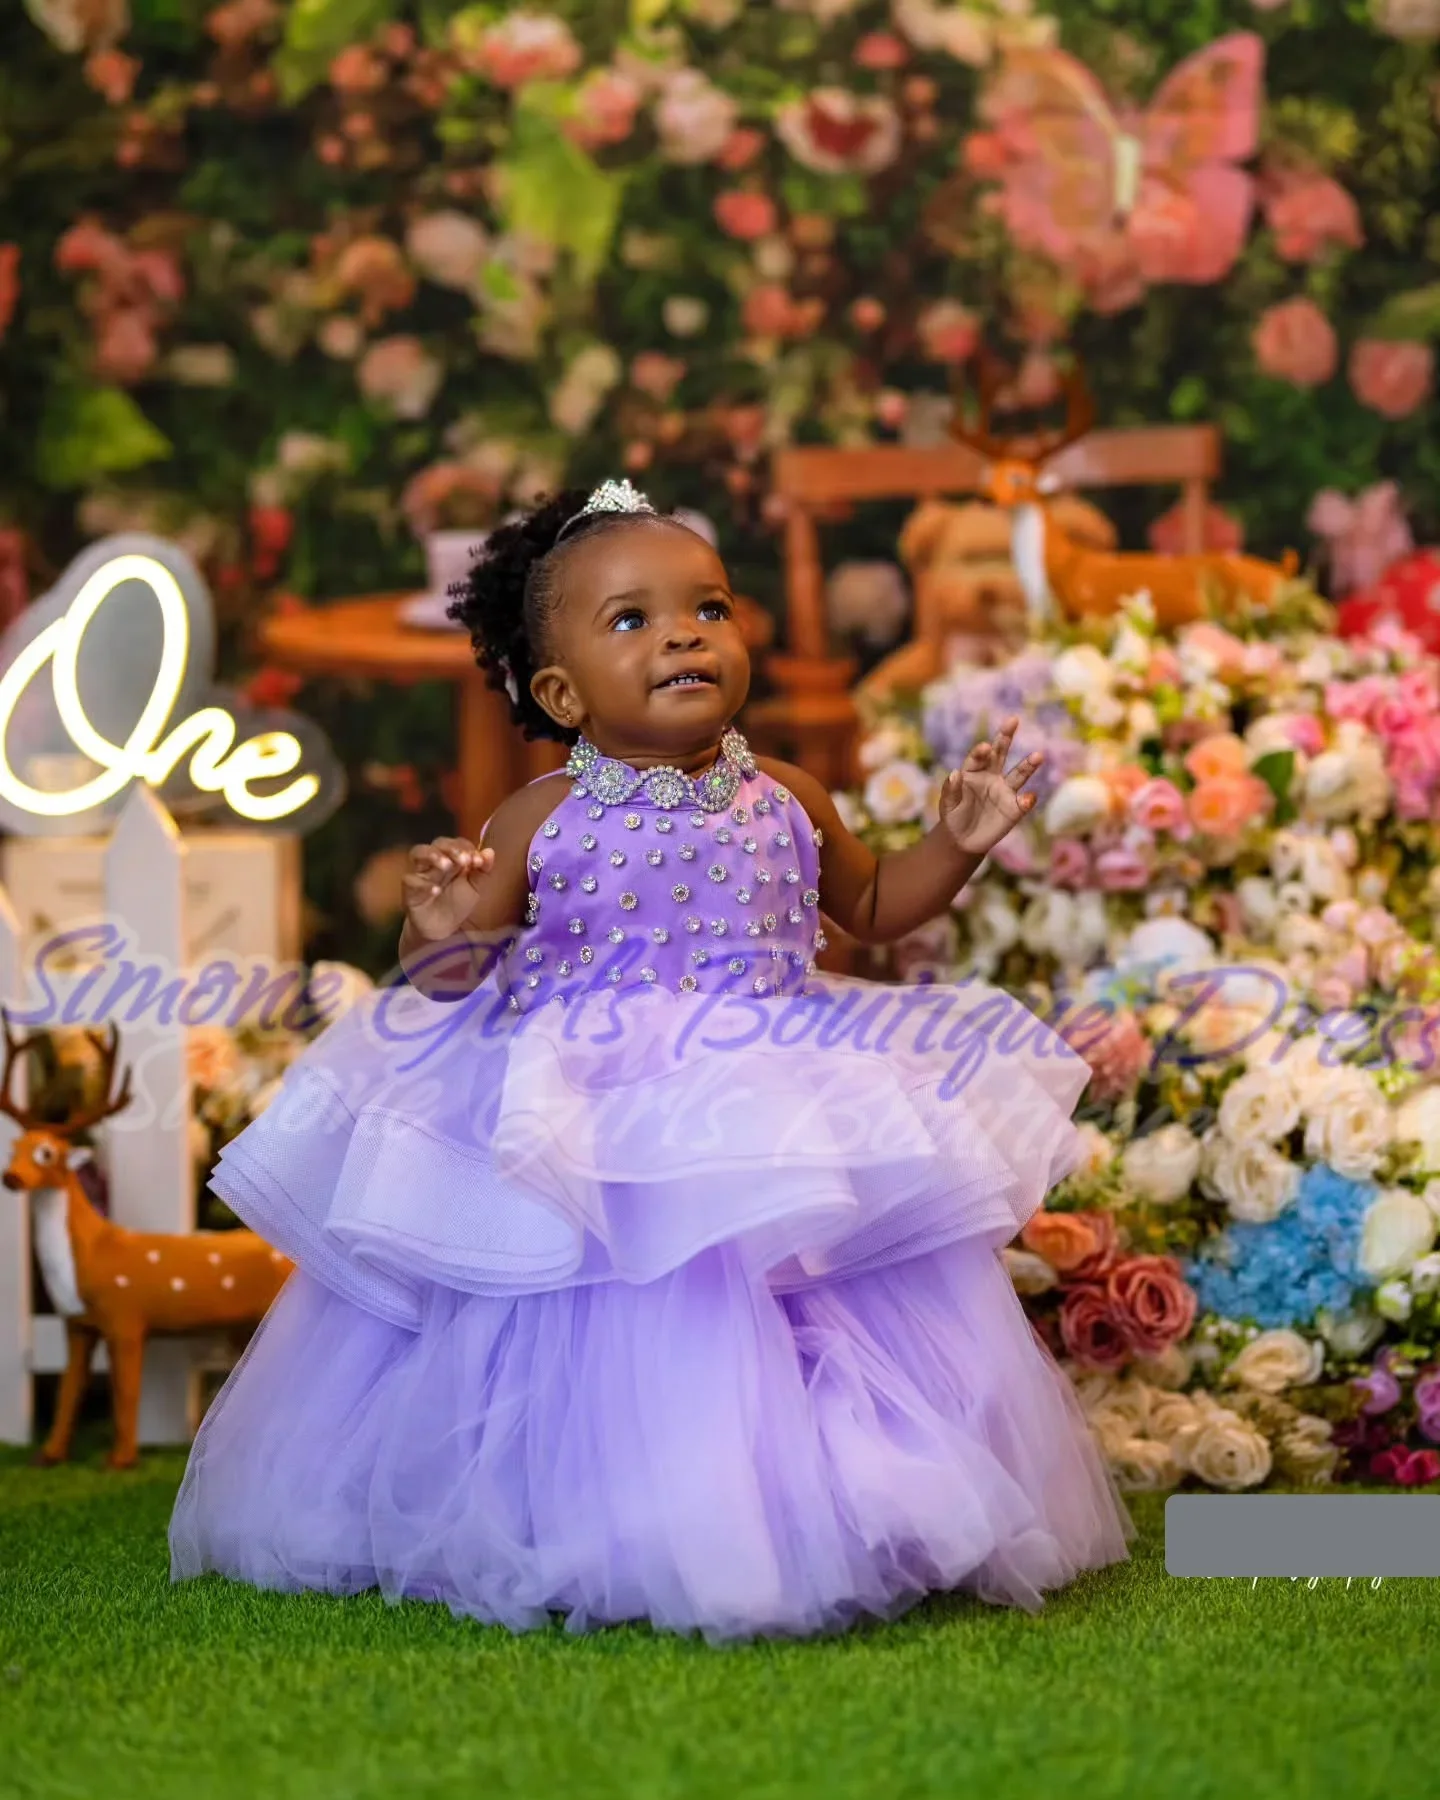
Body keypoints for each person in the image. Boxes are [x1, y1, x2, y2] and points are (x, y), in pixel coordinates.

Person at [170, 479, 1133, 1641]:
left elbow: (873, 906)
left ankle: (822, 1500)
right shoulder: (536, 818)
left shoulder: (790, 799)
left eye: (708, 608)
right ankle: (618, 1511)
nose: (683, 633)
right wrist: (438, 931)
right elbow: (453, 984)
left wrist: (956, 844)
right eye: (632, 619)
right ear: (561, 690)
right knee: (615, 1307)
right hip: (597, 1107)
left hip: (776, 1079)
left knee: (799, 1289)